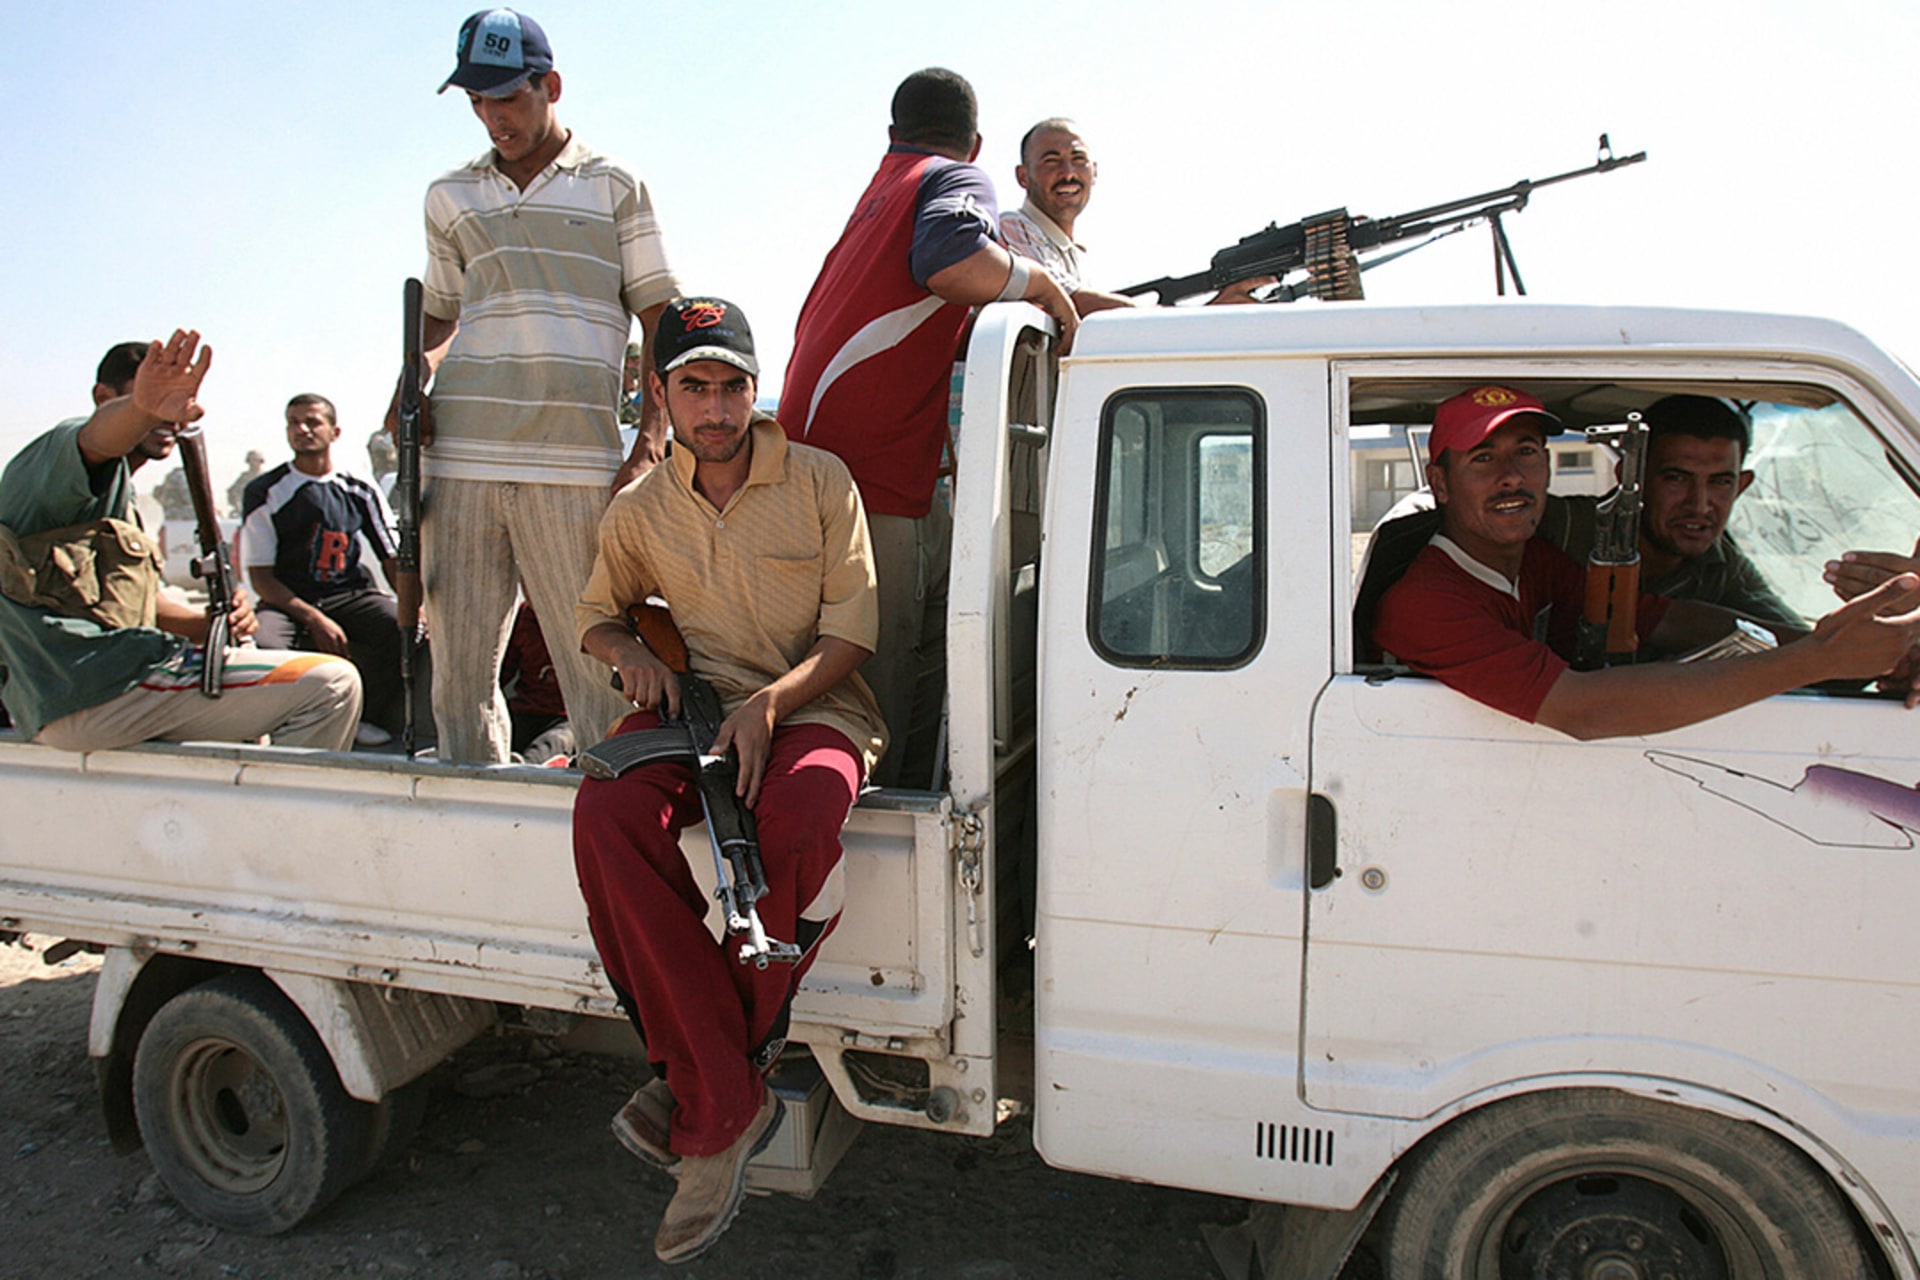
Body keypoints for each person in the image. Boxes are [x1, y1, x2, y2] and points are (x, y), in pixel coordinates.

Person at [573, 298, 885, 1263]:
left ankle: (704, 1107)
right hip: (687, 714)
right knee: (604, 817)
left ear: (757, 388)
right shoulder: (640, 508)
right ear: (658, 395)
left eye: (732, 386)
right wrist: (632, 655)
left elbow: (852, 634)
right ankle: (729, 1087)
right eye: (694, 387)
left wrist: (772, 706)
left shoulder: (821, 480)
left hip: (819, 708)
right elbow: (595, 615)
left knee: (798, 820)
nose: (716, 407)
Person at [391, 8, 681, 764]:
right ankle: (475, 850)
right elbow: (440, 316)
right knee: (458, 683)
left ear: (550, 86)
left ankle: (599, 843)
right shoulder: (449, 196)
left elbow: (662, 320)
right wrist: (408, 375)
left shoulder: (617, 186)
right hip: (460, 463)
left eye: (508, 97)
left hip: (574, 466)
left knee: (596, 675)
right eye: (478, 101)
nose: (494, 117)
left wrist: (650, 442)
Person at [780, 68, 1075, 788]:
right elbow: (950, 262)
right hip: (869, 477)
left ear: (892, 135)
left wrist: (1083, 298)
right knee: (881, 680)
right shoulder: (956, 178)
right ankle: (884, 842)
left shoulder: (887, 188)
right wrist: (1039, 284)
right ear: (977, 143)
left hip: (812, 458)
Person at [1370, 385, 1920, 738]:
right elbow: (1584, 711)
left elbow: (1658, 616)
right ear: (1440, 483)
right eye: (1483, 458)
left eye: (1527, 452)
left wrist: (1859, 652)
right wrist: (1820, 658)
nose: (1511, 475)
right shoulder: (1426, 603)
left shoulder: (1531, 558)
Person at [0, 333, 361, 752]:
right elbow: (96, 437)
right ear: (103, 397)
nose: (169, 414)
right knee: (331, 684)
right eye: (151, 397)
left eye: (177, 401)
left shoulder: (120, 501)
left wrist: (213, 623)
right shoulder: (59, 456)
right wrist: (139, 410)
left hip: (104, 685)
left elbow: (137, 602)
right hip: (98, 685)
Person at [1359, 394, 1801, 645]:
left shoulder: (1721, 561)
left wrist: (1842, 650)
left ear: (1742, 485)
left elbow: (1660, 618)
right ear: (1630, 477)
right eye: (1676, 478)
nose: (1700, 504)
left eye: (1720, 482)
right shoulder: (1556, 530)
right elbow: (1577, 705)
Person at [240, 394, 407, 747]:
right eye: (293, 422)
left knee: (398, 626)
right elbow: (261, 578)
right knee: (263, 645)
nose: (301, 429)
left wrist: (414, 607)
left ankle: (364, 716)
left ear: (335, 431)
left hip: (347, 594)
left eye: (312, 422)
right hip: (287, 600)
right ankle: (275, 726)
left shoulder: (359, 487)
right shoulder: (266, 491)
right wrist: (315, 619)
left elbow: (392, 558)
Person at [999, 118, 1268, 315]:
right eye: (1051, 161)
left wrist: (1209, 311)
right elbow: (1063, 298)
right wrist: (1177, 317)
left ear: (1094, 172)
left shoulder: (1081, 257)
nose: (1068, 172)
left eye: (1078, 159)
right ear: (1023, 176)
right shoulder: (1014, 228)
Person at [226, 450, 265, 519]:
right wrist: (237, 505)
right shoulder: (244, 477)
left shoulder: (265, 477)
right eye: (251, 460)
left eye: (255, 460)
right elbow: (232, 491)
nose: (253, 463)